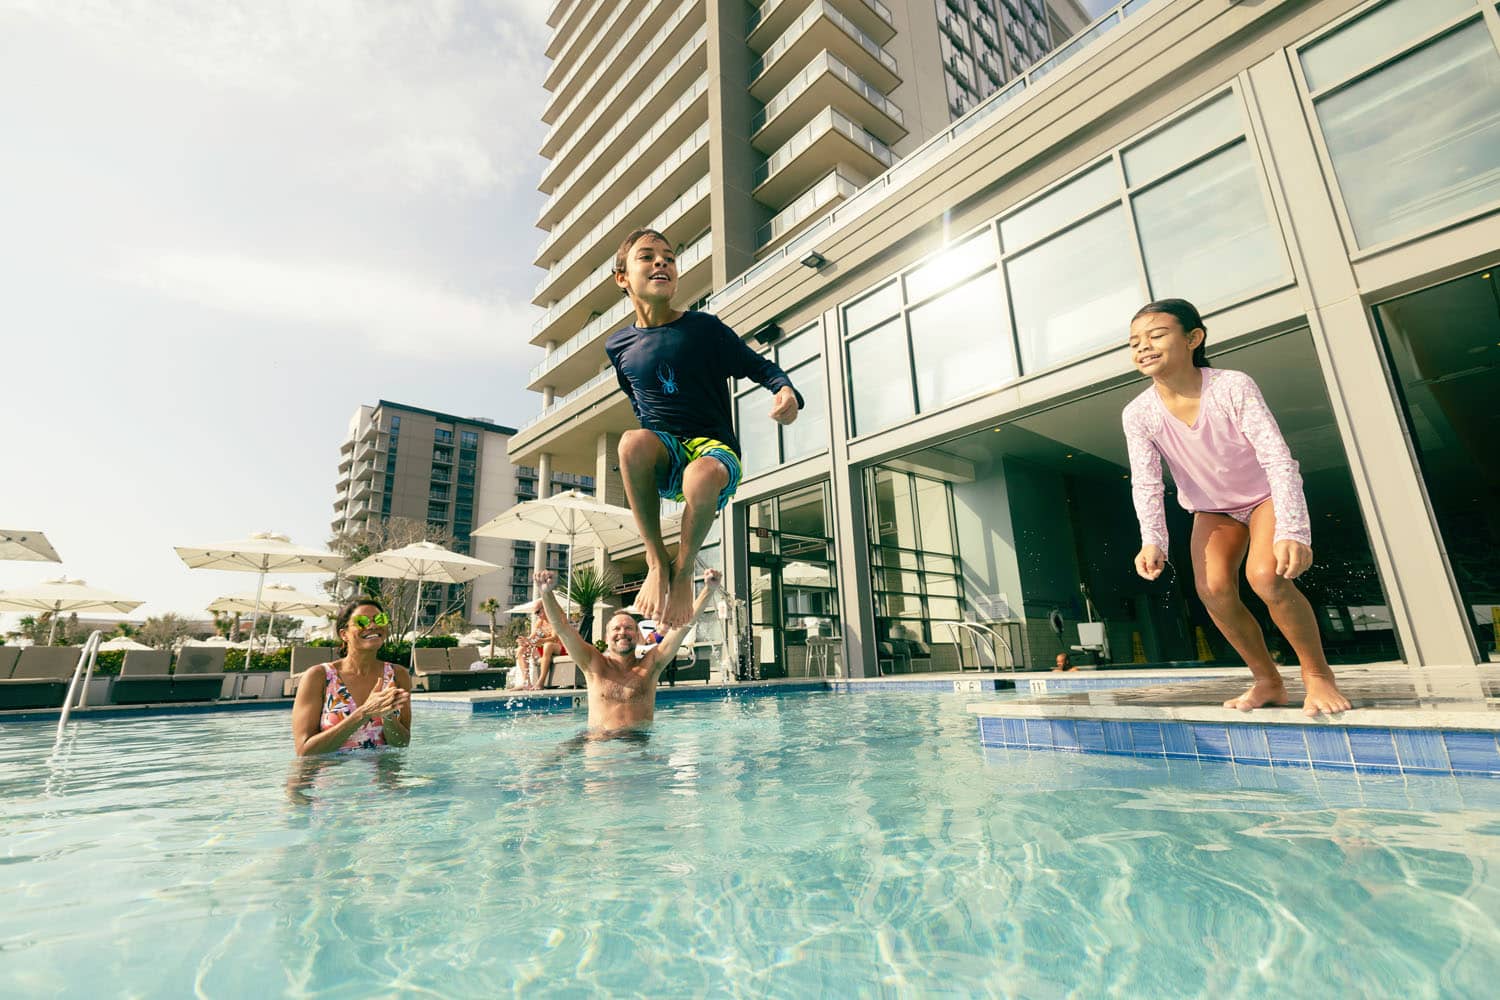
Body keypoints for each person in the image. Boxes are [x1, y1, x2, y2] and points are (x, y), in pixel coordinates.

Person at [1122, 298, 1351, 716]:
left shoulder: (1231, 386)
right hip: (1212, 511)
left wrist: (1293, 531)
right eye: (1135, 341)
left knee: (1266, 577)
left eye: (1156, 335)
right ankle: (1268, 680)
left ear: (1194, 338)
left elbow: (1278, 458)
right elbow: (1147, 482)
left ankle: (1317, 676)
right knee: (1212, 590)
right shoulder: (1138, 413)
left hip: (1264, 497)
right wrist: (1152, 540)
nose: (1143, 347)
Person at [606, 227, 802, 629]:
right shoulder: (618, 346)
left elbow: (757, 366)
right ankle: (656, 561)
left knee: (701, 473)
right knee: (630, 442)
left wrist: (785, 390)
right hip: (667, 452)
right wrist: (645, 458)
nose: (661, 261)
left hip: (714, 453)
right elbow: (639, 402)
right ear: (623, 277)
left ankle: (682, 573)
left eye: (669, 257)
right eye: (648, 256)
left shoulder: (704, 329)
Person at [533, 567, 719, 734]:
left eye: (629, 628)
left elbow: (683, 627)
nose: (623, 632)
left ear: (638, 636)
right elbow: (563, 629)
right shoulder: (592, 663)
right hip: (599, 746)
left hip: (638, 746)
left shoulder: (651, 665)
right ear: (606, 638)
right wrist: (546, 594)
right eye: (616, 628)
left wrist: (708, 590)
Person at [292, 598, 413, 755]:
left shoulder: (398, 675)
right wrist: (364, 713)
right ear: (344, 634)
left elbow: (402, 744)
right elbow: (304, 751)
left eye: (379, 619)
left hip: (383, 777)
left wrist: (388, 716)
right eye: (361, 621)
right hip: (335, 776)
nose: (373, 625)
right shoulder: (319, 676)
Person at [517, 603, 563, 690]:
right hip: (547, 647)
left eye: (538, 612)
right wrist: (525, 640)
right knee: (521, 650)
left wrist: (541, 641)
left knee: (548, 645)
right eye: (535, 613)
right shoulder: (540, 622)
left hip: (561, 647)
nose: (537, 615)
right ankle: (527, 683)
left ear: (545, 608)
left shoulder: (555, 620)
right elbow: (532, 638)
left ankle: (541, 682)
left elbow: (554, 638)